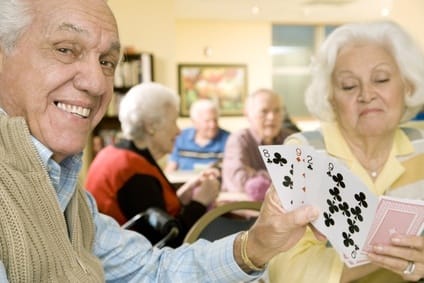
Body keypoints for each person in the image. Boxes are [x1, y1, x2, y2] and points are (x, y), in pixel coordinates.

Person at [0, 0, 321, 281]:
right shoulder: (124, 166)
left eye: (107, 62)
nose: (98, 83)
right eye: (66, 49)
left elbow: (149, 270)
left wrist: (258, 244)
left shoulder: (68, 193)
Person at [268, 20, 424, 283]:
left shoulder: (421, 145)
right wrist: (396, 258)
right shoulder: (303, 154)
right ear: (330, 97)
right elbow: (287, 272)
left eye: (381, 79)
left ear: (407, 85)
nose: (366, 94)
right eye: (349, 86)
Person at [85, 83, 221, 247]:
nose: (179, 131)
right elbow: (168, 242)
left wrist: (183, 197)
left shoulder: (113, 154)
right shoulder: (132, 170)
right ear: (151, 127)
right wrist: (200, 202)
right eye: (174, 122)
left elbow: (153, 214)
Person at [221, 88, 296, 201]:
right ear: (247, 114)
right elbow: (238, 181)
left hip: (282, 212)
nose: (272, 117)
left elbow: (302, 180)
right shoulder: (239, 140)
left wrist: (256, 175)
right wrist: (279, 178)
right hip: (241, 213)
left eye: (277, 111)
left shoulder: (291, 139)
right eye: (264, 111)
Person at [165, 99, 230, 172]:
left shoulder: (229, 139)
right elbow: (171, 167)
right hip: (184, 182)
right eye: (207, 121)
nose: (213, 125)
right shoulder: (180, 137)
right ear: (194, 122)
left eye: (215, 120)